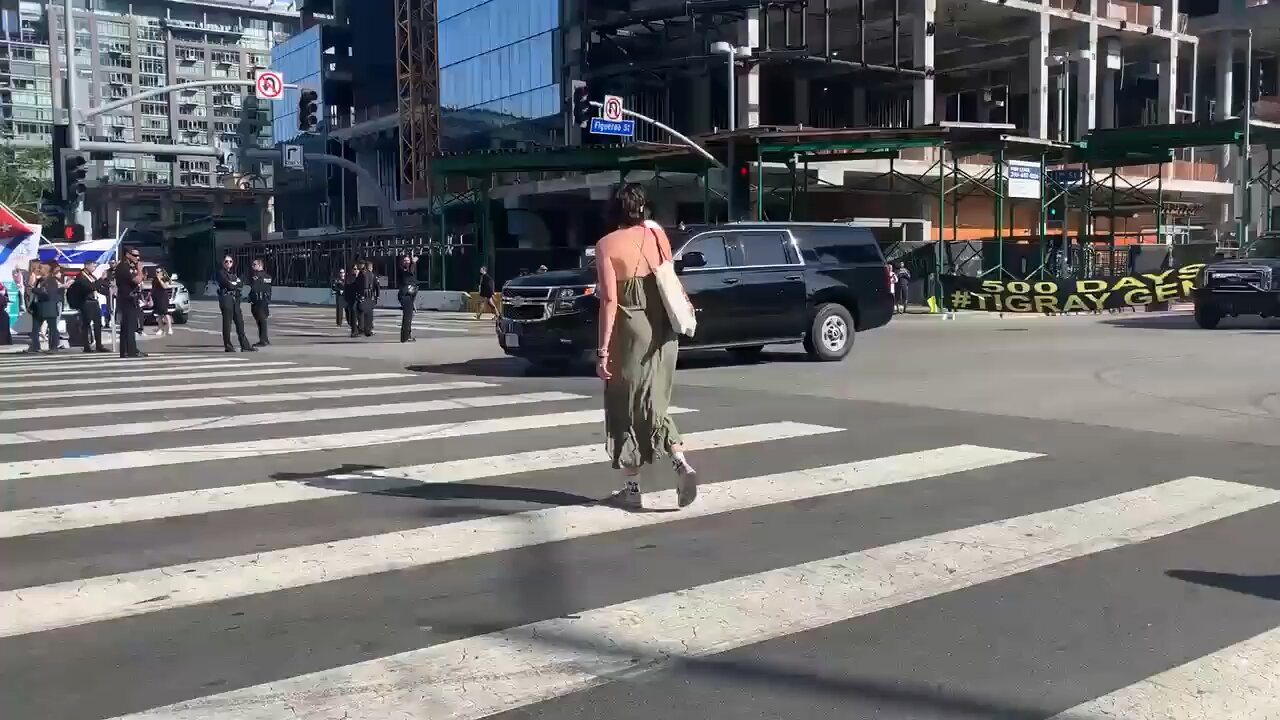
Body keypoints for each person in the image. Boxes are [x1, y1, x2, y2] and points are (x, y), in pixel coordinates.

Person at [593, 183, 697, 511]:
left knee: (624, 404)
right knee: (656, 402)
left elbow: (610, 300)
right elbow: (671, 279)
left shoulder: (606, 245)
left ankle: (633, 489)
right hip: (664, 329)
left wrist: (602, 351)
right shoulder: (657, 236)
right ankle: (680, 462)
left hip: (631, 329)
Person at [215, 254, 255, 353]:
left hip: (235, 299)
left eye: (230, 261)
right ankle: (228, 346)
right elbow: (226, 284)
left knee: (240, 322)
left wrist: (234, 283)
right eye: (226, 261)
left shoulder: (234, 274)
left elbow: (240, 284)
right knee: (227, 324)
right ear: (223, 263)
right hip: (226, 298)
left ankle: (245, 345)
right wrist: (233, 284)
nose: (228, 263)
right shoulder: (220, 273)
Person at [68, 260, 108, 352]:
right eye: (93, 266)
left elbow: (96, 287)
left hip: (94, 301)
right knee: (86, 324)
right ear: (87, 266)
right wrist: (100, 279)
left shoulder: (90, 276)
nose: (94, 268)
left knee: (98, 324)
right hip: (86, 302)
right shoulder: (81, 276)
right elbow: (90, 287)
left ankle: (99, 345)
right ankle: (86, 346)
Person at [114, 247, 146, 357]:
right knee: (129, 326)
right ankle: (129, 351)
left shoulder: (128, 267)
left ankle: (128, 350)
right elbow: (137, 280)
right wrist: (140, 270)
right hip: (127, 298)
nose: (138, 258)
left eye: (138, 256)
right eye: (135, 255)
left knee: (129, 326)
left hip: (130, 298)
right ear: (128, 255)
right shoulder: (123, 267)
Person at [29, 263, 62, 354]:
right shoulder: (39, 280)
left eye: (41, 268)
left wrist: (34, 289)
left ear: (47, 270)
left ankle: (53, 347)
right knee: (35, 329)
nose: (39, 270)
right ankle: (35, 346)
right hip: (38, 308)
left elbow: (47, 294)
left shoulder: (51, 281)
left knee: (52, 328)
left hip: (49, 307)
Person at [248, 258, 273, 347]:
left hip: (258, 301)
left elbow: (254, 288)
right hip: (265, 300)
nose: (252, 266)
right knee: (263, 320)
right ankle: (264, 338)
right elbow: (269, 289)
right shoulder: (268, 276)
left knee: (260, 320)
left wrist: (250, 298)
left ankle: (263, 340)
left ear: (260, 265)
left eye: (254, 265)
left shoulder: (256, 276)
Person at [396, 254, 419, 343]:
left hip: (410, 295)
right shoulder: (402, 270)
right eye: (405, 261)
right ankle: (405, 337)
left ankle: (407, 335)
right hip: (405, 295)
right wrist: (413, 262)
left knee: (409, 316)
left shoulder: (410, 269)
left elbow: (412, 273)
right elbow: (410, 272)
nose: (406, 262)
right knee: (407, 317)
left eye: (408, 260)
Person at [150, 267, 173, 337]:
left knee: (165, 312)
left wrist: (160, 280)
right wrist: (151, 298)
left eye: (158, 272)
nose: (157, 273)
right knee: (158, 314)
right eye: (156, 272)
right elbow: (153, 289)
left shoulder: (164, 278)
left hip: (163, 297)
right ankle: (160, 328)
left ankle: (170, 328)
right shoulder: (154, 279)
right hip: (156, 297)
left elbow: (165, 287)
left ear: (161, 272)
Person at [358, 260, 379, 337]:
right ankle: (368, 329)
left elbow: (358, 284)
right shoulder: (372, 275)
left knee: (362, 312)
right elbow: (377, 286)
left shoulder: (362, 274)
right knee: (369, 313)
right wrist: (377, 296)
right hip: (370, 294)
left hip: (363, 294)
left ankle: (362, 328)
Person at [344, 262, 361, 337]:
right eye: (354, 269)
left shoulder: (359, 277)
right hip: (349, 298)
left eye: (356, 269)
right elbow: (346, 287)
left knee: (354, 313)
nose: (355, 270)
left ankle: (355, 331)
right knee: (348, 316)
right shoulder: (348, 277)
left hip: (356, 298)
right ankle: (355, 328)